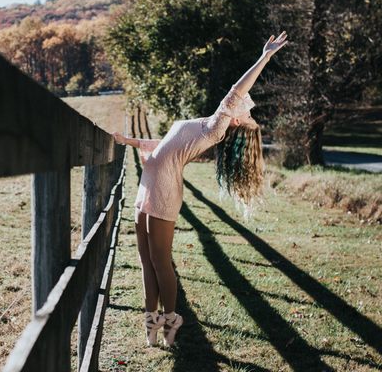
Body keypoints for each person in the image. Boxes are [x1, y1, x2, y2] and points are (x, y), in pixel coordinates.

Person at [112, 31, 288, 347]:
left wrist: (265, 57)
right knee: (145, 261)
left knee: (160, 261)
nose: (244, 109)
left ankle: (169, 325)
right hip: (147, 186)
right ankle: (150, 325)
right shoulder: (203, 124)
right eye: (245, 109)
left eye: (243, 114)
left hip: (164, 191)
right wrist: (131, 142)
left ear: (234, 122)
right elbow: (167, 146)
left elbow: (236, 92)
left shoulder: (215, 128)